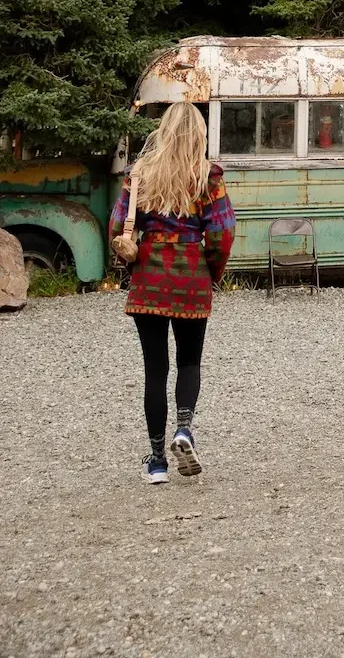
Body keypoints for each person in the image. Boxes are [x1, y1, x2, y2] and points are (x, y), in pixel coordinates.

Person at [108, 102, 235, 484]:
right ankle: (184, 430)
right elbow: (222, 233)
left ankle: (158, 461)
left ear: (162, 132)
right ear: (199, 135)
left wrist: (134, 262)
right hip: (191, 277)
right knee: (189, 363)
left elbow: (117, 225)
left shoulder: (140, 174)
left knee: (154, 371)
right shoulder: (208, 177)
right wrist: (211, 271)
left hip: (148, 278)